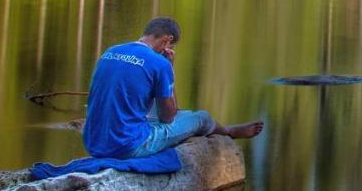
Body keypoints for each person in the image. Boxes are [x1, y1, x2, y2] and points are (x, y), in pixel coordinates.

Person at [81, 16, 263, 159]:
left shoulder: (111, 51)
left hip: (93, 142)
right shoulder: (160, 63)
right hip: (126, 146)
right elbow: (168, 117)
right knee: (201, 117)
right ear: (167, 40)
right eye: (171, 45)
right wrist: (170, 69)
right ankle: (228, 132)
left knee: (150, 99)